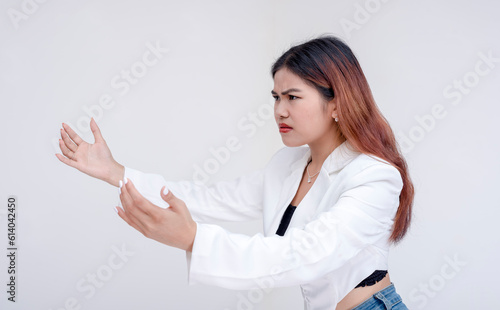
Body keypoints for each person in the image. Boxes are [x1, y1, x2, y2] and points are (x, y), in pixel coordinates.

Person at [56, 34, 414, 310]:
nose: (280, 111)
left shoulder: (375, 176)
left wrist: (192, 239)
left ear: (336, 101)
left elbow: (304, 255)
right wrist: (115, 172)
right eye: (276, 98)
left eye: (293, 97)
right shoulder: (287, 165)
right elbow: (208, 199)